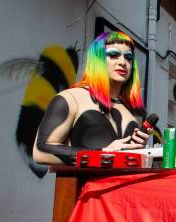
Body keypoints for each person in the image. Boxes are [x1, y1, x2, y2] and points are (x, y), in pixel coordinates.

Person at [33, 31, 149, 165]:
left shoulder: (132, 110)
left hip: (128, 185)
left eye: (128, 57)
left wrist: (140, 150)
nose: (123, 62)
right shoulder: (71, 98)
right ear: (97, 59)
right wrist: (103, 154)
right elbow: (40, 152)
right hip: (87, 185)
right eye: (113, 55)